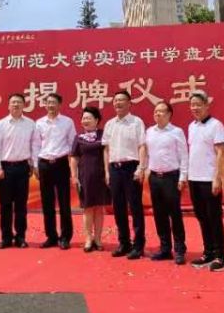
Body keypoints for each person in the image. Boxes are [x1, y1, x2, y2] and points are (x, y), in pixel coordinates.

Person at [103, 90, 147, 259]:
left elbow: (142, 146)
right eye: (116, 100)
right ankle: (124, 242)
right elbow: (106, 149)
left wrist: (141, 168)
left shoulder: (136, 122)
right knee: (118, 207)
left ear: (130, 103)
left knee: (135, 207)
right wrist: (107, 171)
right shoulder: (110, 124)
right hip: (114, 168)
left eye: (122, 100)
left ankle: (138, 245)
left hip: (131, 168)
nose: (118, 103)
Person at [187, 90, 224, 272]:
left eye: (198, 104)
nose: (195, 108)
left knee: (214, 217)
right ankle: (208, 252)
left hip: (209, 179)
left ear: (206, 105)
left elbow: (221, 152)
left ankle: (220, 255)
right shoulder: (192, 126)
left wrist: (217, 178)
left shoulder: (216, 125)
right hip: (194, 178)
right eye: (192, 105)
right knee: (202, 217)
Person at [0, 93, 39, 249]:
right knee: (5, 204)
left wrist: (34, 164)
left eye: (19, 102)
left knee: (21, 205)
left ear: (24, 105)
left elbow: (35, 146)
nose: (16, 105)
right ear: (8, 105)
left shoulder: (30, 124)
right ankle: (6, 237)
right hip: (5, 168)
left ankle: (20, 237)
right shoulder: (0, 125)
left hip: (22, 168)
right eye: (13, 102)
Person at [145, 101, 188, 265]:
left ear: (169, 114)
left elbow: (184, 155)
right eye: (155, 111)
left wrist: (183, 177)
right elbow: (147, 154)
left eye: (161, 111)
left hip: (171, 177)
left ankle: (180, 249)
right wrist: (146, 170)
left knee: (174, 214)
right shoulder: (149, 132)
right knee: (159, 214)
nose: (157, 114)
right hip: (155, 177)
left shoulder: (176, 132)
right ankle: (165, 248)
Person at [35, 92, 76, 249]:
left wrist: (72, 166)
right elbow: (36, 145)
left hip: (61, 164)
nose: (51, 105)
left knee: (64, 202)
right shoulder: (39, 123)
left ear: (59, 105)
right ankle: (51, 236)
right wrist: (36, 165)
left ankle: (65, 237)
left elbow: (72, 144)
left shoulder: (67, 122)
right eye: (48, 102)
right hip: (44, 164)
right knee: (47, 202)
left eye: (54, 102)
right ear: (45, 105)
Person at [70, 106, 110, 252]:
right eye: (84, 118)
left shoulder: (103, 135)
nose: (85, 121)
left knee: (99, 208)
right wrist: (74, 176)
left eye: (88, 118)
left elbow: (107, 153)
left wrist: (107, 172)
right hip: (85, 176)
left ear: (96, 120)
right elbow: (74, 158)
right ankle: (88, 238)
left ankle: (98, 239)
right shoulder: (78, 138)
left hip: (100, 176)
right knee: (88, 208)